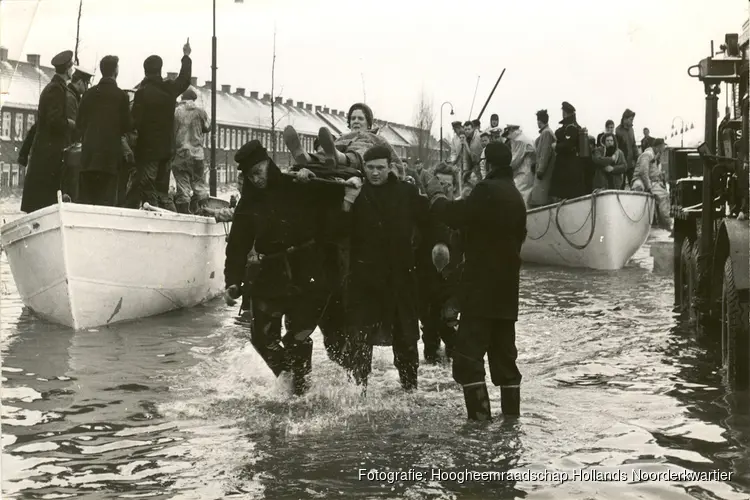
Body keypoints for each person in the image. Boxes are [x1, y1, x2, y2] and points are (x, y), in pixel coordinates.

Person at [223, 140, 346, 396]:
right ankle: (286, 375)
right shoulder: (248, 203)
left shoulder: (297, 185)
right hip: (270, 271)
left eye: (259, 171)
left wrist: (311, 179)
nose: (257, 179)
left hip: (307, 267)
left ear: (268, 163)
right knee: (260, 337)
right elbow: (237, 245)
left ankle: (301, 393)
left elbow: (335, 196)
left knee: (297, 337)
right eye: (250, 175)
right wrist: (232, 281)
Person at [330, 145, 448, 393]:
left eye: (380, 168)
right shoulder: (357, 194)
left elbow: (430, 219)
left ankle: (410, 391)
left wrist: (440, 242)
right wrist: (347, 203)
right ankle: (357, 394)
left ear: (390, 168)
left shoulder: (406, 192)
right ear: (364, 167)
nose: (375, 173)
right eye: (370, 168)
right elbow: (339, 233)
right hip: (365, 280)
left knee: (406, 341)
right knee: (359, 341)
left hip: (400, 278)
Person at [424, 141, 526, 421]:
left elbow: (455, 216)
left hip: (481, 295)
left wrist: (434, 193)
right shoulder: (516, 196)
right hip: (507, 296)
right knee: (505, 362)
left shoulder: (486, 190)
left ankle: (479, 430)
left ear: (487, 164)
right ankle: (510, 429)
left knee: (467, 362)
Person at [125, 39, 192, 211]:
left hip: (148, 153)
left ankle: (157, 219)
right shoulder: (168, 89)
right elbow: (184, 79)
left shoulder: (142, 94)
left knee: (149, 189)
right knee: (163, 190)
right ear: (160, 70)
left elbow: (134, 122)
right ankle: (172, 219)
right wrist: (186, 56)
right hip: (167, 150)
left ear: (145, 72)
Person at [20, 50, 79, 213]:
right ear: (67, 68)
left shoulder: (55, 87)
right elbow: (54, 120)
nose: (72, 70)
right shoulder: (56, 90)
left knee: (43, 200)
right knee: (43, 202)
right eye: (71, 67)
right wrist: (71, 123)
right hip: (49, 153)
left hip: (46, 151)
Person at [282, 102, 405, 177]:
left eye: (360, 118)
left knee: (361, 149)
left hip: (356, 160)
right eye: (353, 118)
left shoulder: (376, 138)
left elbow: (396, 163)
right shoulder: (343, 137)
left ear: (369, 124)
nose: (356, 121)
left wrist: (392, 171)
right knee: (328, 149)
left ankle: (338, 156)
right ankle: (306, 157)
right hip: (335, 159)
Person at [416, 162, 461, 364]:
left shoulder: (462, 211)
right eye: (439, 183)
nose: (444, 188)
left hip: (454, 282)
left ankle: (456, 377)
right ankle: (432, 379)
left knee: (451, 328)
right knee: (430, 334)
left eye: (448, 185)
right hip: (426, 281)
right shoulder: (425, 212)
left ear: (455, 186)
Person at [76, 55, 133, 206]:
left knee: (87, 203)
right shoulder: (122, 96)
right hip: (110, 159)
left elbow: (79, 124)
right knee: (106, 204)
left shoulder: (88, 94)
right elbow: (127, 125)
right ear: (115, 71)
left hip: (88, 157)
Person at [172, 88, 210, 214]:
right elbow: (207, 127)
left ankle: (184, 214)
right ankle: (202, 210)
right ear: (194, 99)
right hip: (197, 155)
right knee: (199, 184)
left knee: (183, 186)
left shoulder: (176, 112)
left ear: (182, 98)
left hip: (181, 154)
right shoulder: (200, 112)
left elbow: (171, 131)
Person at [548, 101, 587, 202]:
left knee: (564, 195)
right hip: (573, 165)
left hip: (567, 166)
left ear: (565, 112)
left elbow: (568, 145)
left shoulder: (570, 128)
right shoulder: (575, 127)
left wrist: (556, 146)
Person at [631, 138, 671, 230]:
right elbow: (643, 172)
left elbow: (653, 172)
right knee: (638, 191)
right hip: (640, 180)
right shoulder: (647, 154)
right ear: (658, 147)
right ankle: (636, 221)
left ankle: (665, 224)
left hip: (651, 181)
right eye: (662, 147)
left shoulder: (655, 156)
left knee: (664, 195)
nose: (663, 149)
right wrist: (649, 187)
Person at [529, 109, 556, 208]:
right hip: (544, 172)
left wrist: (540, 170)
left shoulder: (546, 133)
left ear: (539, 120)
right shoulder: (546, 133)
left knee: (539, 200)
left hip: (543, 174)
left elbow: (544, 153)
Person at [505, 125, 535, 207]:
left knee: (521, 193)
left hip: (524, 171)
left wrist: (505, 167)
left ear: (512, 130)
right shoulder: (521, 138)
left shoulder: (519, 140)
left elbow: (515, 159)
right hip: (526, 170)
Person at [616, 109, 638, 188]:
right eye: (631, 119)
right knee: (621, 185)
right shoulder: (618, 130)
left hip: (631, 164)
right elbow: (617, 148)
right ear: (625, 119)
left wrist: (637, 158)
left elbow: (634, 144)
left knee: (633, 185)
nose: (632, 121)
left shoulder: (631, 130)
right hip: (622, 163)